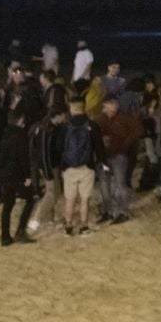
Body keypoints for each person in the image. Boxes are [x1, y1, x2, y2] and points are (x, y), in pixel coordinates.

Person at [60, 96, 105, 235]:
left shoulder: (65, 126)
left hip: (69, 167)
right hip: (87, 167)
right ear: (83, 107)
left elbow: (59, 147)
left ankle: (68, 224)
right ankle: (83, 225)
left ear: (72, 108)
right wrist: (101, 162)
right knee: (85, 199)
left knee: (70, 199)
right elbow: (99, 147)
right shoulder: (92, 125)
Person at [95, 96, 142, 224]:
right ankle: (108, 211)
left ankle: (122, 212)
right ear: (104, 106)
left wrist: (126, 143)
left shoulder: (124, 118)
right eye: (111, 105)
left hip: (118, 156)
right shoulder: (99, 120)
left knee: (120, 185)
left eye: (115, 105)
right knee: (105, 186)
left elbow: (138, 130)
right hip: (103, 157)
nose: (114, 108)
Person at [0, 111, 37, 245]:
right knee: (30, 199)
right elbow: (23, 158)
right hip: (16, 176)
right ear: (19, 121)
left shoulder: (4, 134)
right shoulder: (21, 136)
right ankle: (20, 231)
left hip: (4, 175)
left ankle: (5, 236)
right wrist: (28, 176)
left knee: (7, 205)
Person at [28, 103, 67, 234]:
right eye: (63, 115)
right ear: (58, 116)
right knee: (51, 193)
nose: (65, 118)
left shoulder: (41, 126)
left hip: (44, 165)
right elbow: (44, 153)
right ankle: (36, 219)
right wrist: (47, 172)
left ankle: (49, 218)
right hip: (48, 166)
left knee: (54, 192)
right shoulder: (47, 130)